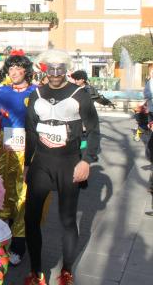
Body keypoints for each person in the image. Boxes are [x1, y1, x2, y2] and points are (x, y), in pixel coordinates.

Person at [24, 50, 100, 285]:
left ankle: (66, 270)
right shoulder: (36, 94)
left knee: (67, 219)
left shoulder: (80, 95)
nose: (55, 74)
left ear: (66, 69)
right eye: (50, 68)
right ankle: (36, 272)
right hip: (42, 164)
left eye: (60, 69)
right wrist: (27, 163)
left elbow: (94, 129)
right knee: (30, 218)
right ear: (43, 69)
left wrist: (87, 160)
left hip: (69, 163)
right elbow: (30, 132)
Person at [0, 50, 37, 266]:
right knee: (0, 196)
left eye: (19, 67)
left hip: (28, 154)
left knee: (23, 199)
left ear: (26, 70)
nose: (14, 72)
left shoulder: (37, 93)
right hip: (3, 154)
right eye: (11, 68)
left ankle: (18, 247)